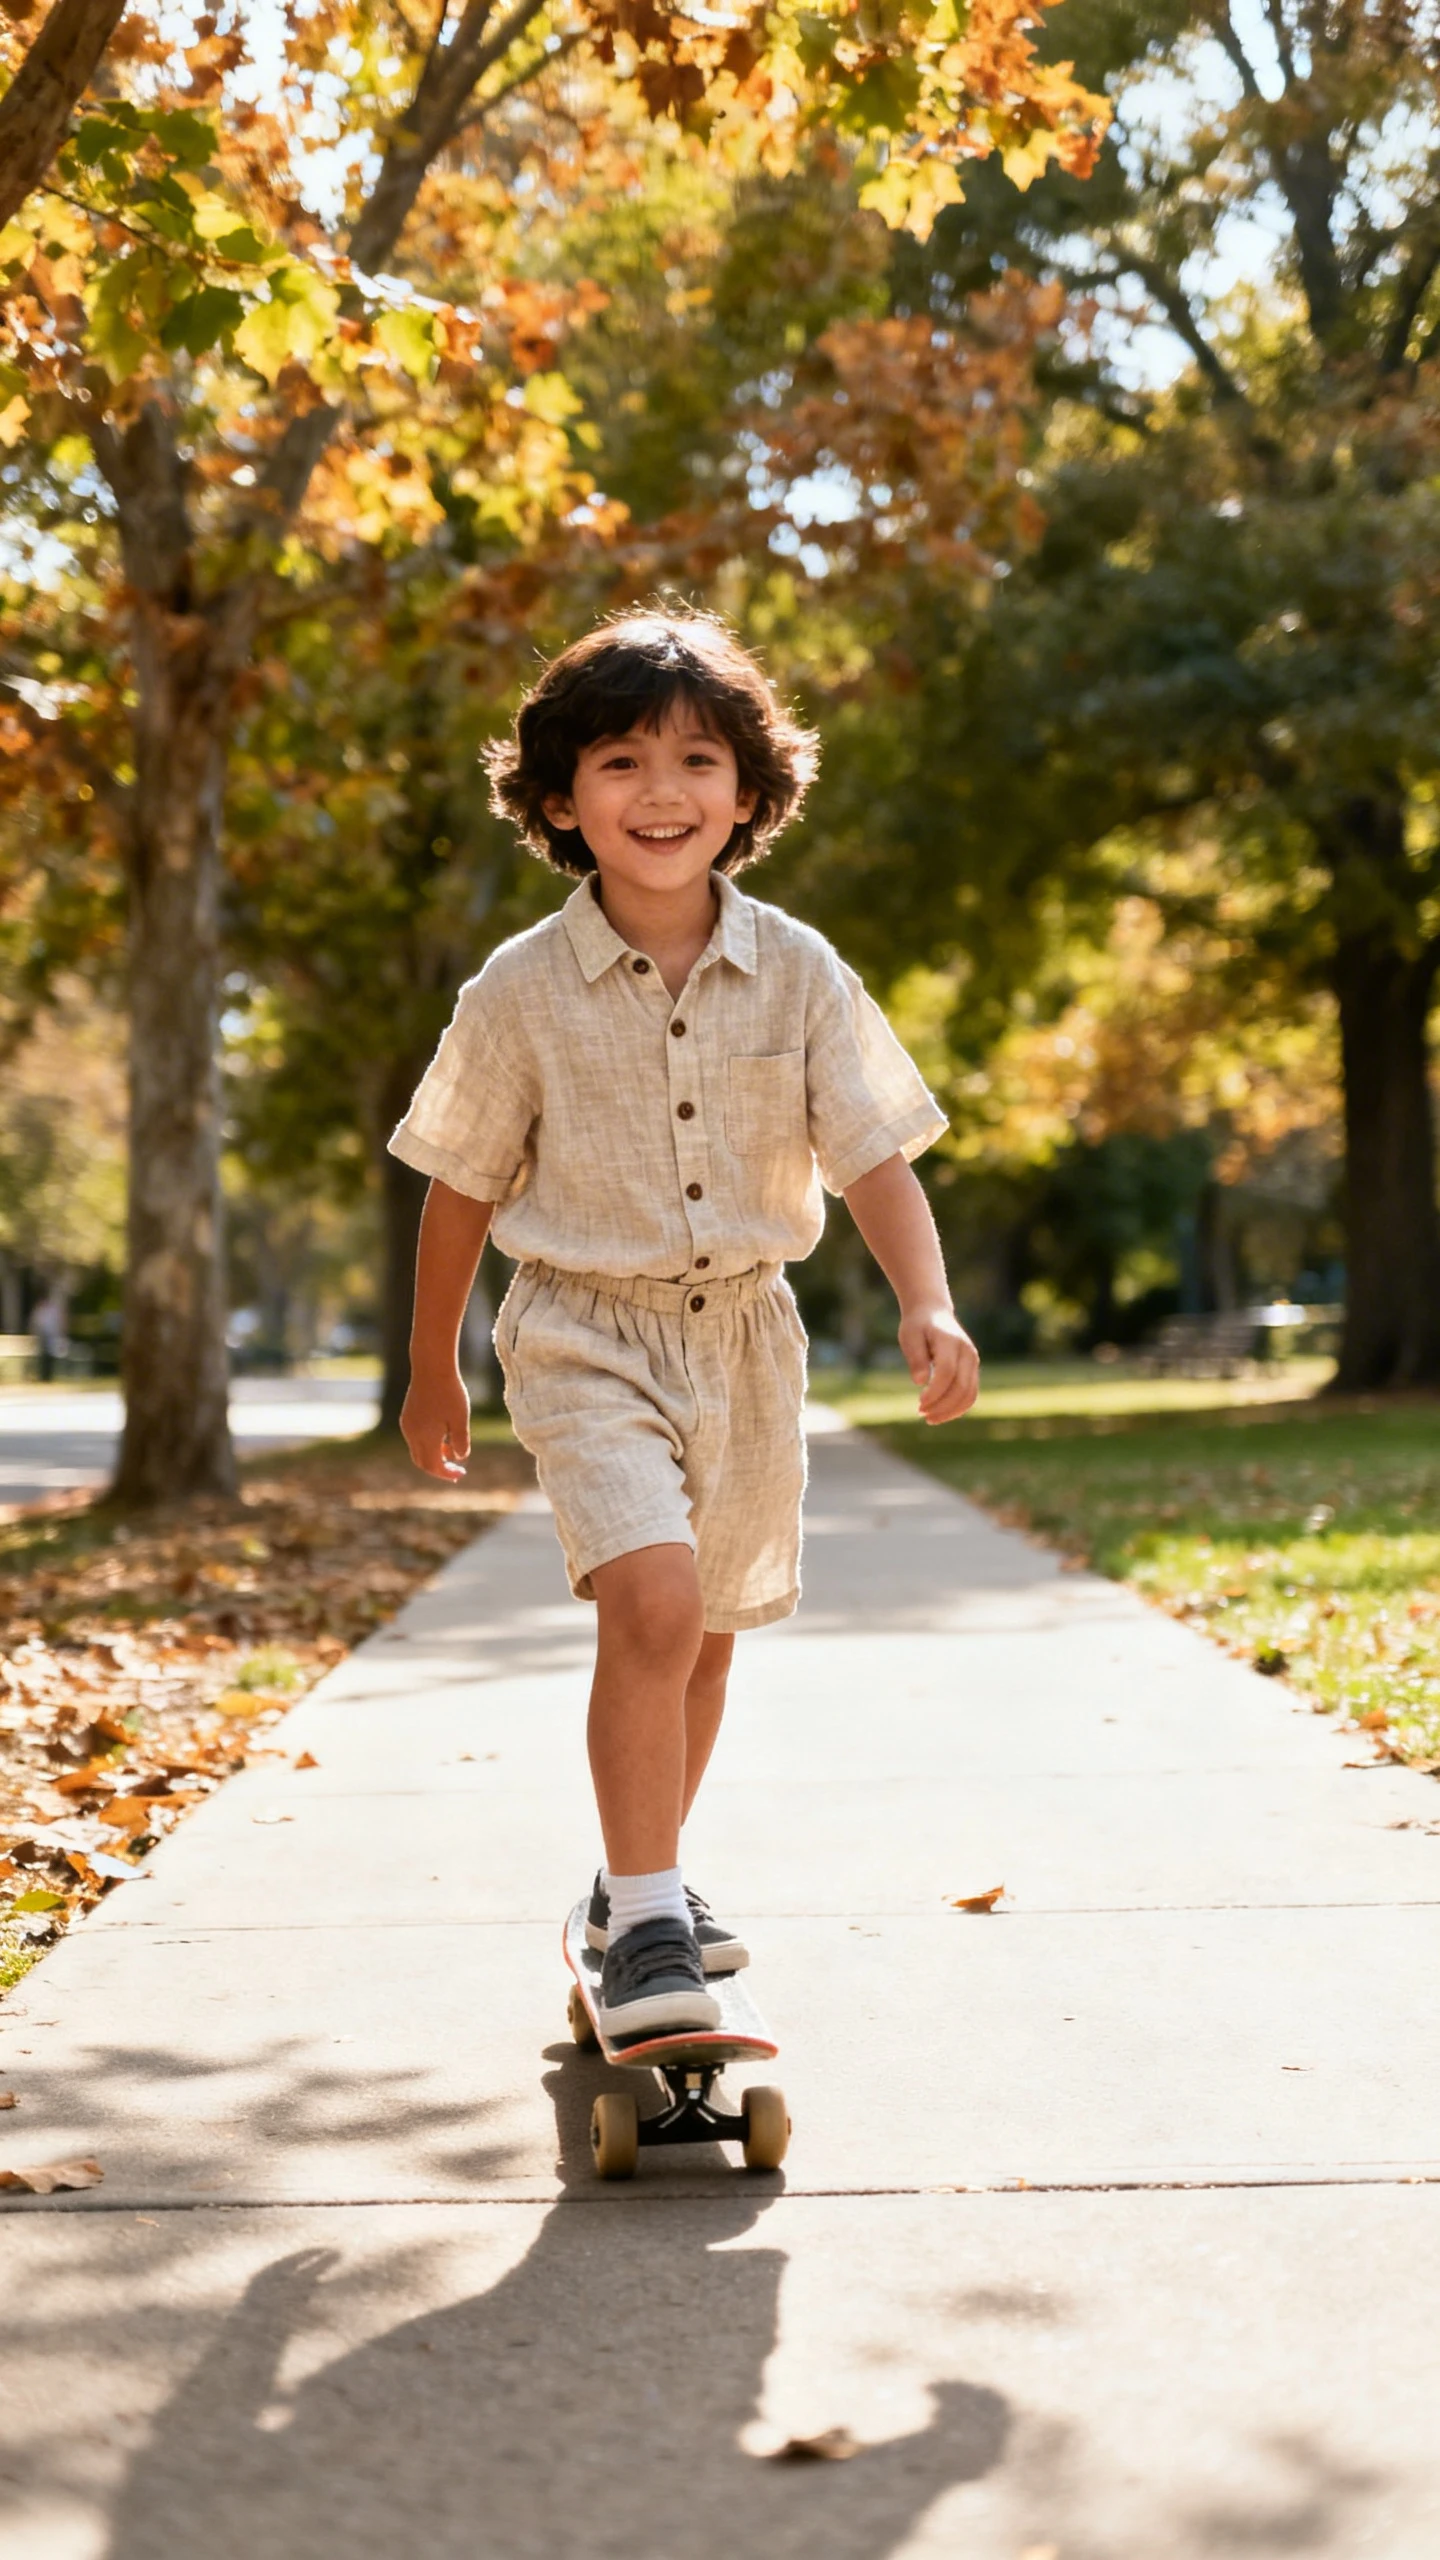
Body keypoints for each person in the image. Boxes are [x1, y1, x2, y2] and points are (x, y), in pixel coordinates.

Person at [392, 609, 979, 2038]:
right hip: (585, 1334)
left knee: (705, 1636)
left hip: (747, 1344)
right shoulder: (517, 991)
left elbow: (876, 1153)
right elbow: (461, 1187)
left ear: (750, 794)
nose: (662, 793)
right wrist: (433, 1368)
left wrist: (930, 1299)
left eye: (697, 759)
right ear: (556, 800)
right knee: (651, 1602)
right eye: (619, 761)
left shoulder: (803, 971)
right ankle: (655, 1919)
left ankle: (628, 1883)